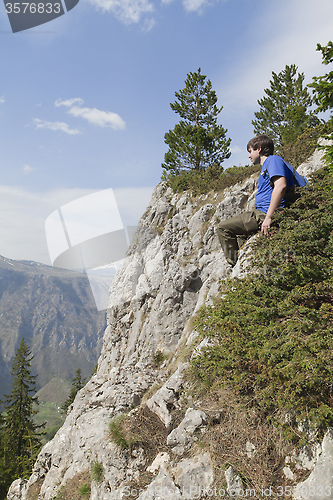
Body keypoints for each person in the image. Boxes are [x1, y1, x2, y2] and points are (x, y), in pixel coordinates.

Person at [217, 134, 294, 265]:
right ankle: (243, 264)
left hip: (264, 214)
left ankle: (234, 264)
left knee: (223, 228)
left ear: (259, 149)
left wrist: (269, 217)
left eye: (250, 151)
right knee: (241, 235)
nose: (248, 156)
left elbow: (281, 186)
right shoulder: (268, 166)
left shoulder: (273, 160)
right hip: (261, 212)